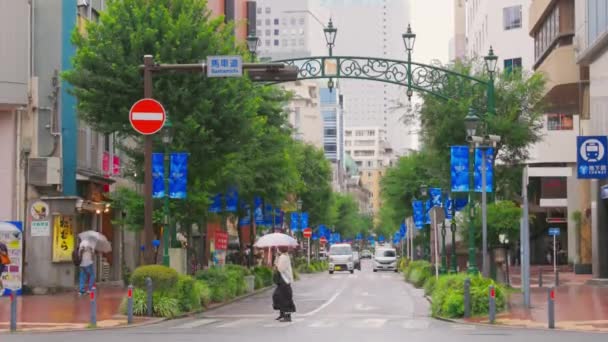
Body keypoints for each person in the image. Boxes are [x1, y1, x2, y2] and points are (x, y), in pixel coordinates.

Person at [272, 246, 296, 322]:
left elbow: (280, 269)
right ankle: (282, 314)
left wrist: (276, 262)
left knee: (284, 298)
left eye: (278, 248)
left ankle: (287, 316)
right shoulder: (283, 256)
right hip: (283, 280)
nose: (277, 249)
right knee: (278, 296)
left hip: (284, 280)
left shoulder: (283, 257)